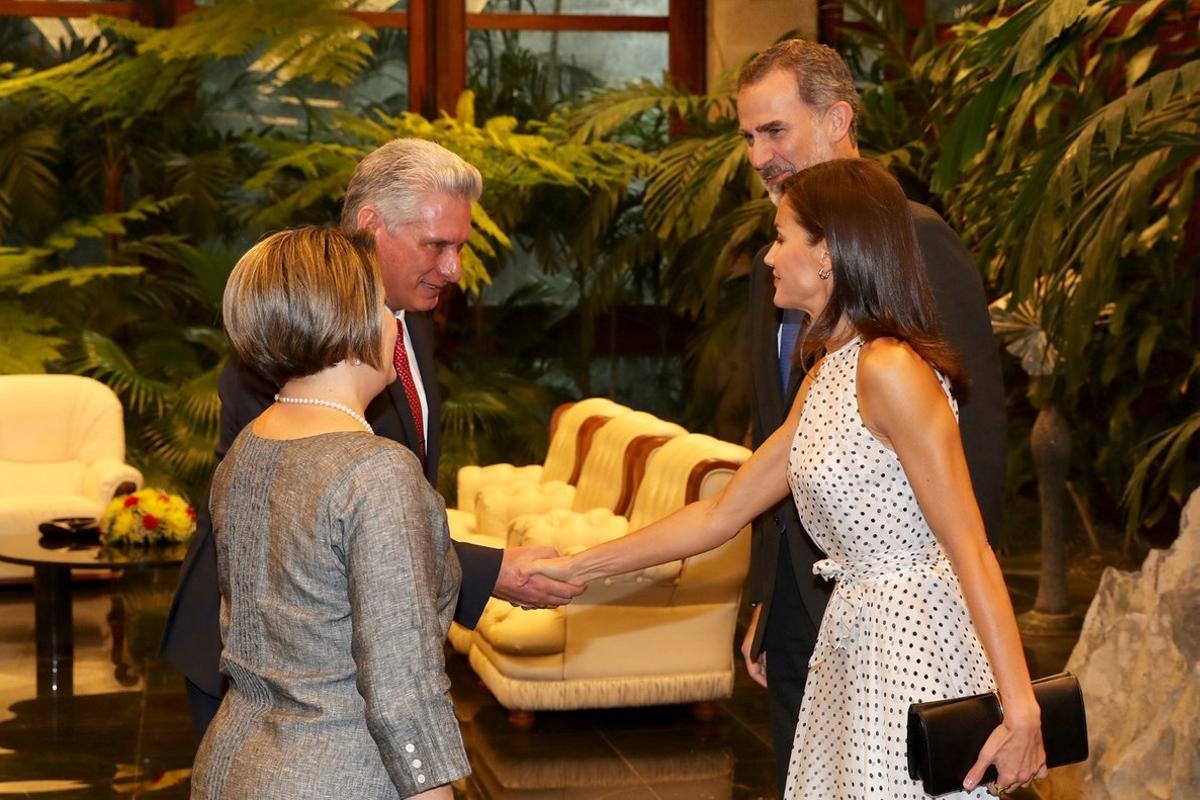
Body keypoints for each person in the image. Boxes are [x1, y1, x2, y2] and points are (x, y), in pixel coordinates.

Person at [528, 159, 1044, 798]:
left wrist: (1020, 709)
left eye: (780, 237)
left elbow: (970, 546)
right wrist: (578, 569)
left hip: (913, 642)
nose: (769, 257)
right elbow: (721, 514)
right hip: (852, 637)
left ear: (828, 251)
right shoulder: (830, 373)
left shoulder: (892, 368)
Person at [161, 139, 584, 742]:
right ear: (370, 226)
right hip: (263, 657)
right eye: (435, 245)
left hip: (355, 656)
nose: (453, 269)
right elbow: (288, 519)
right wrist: (489, 569)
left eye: (460, 247)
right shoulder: (290, 343)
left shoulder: (413, 317)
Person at [734, 39, 1008, 794]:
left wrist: (967, 620)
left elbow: (971, 438)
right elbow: (777, 439)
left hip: (905, 612)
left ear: (837, 119)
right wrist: (765, 592)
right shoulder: (782, 262)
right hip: (800, 597)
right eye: (748, 137)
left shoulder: (913, 238)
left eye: (775, 131)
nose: (759, 155)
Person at [190, 227, 465, 799]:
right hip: (340, 775)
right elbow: (402, 693)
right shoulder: (375, 472)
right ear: (357, 317)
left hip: (230, 764)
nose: (397, 321)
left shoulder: (250, 447)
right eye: (384, 304)